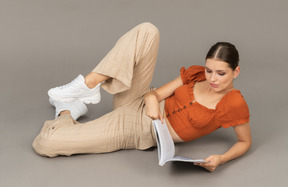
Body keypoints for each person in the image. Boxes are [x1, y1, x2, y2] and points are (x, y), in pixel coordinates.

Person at [32, 22, 252, 172]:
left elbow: (245, 142)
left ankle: (67, 109)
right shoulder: (195, 74)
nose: (213, 78)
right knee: (147, 30)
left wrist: (221, 159)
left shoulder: (233, 103)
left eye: (221, 73)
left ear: (236, 72)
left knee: (46, 143)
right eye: (209, 70)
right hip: (139, 100)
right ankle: (89, 83)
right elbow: (156, 94)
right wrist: (151, 99)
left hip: (139, 128)